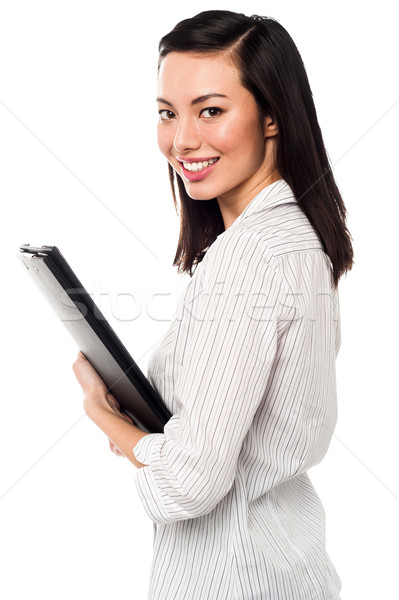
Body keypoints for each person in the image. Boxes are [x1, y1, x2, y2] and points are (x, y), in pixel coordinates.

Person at [72, 10, 353, 600]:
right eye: (167, 113)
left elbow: (188, 482)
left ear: (271, 115)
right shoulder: (295, 238)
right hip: (287, 569)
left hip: (233, 580)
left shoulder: (251, 256)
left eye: (211, 111)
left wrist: (101, 411)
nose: (182, 141)